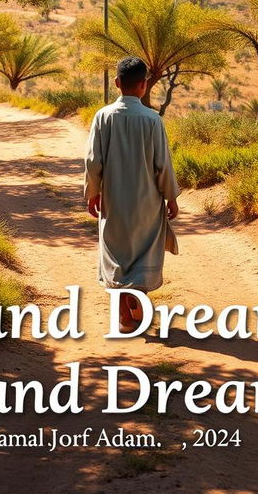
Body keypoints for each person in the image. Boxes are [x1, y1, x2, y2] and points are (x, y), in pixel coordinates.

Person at [84, 55, 180, 331]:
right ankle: (136, 299)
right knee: (143, 252)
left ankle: (125, 315)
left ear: (116, 83)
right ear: (144, 85)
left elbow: (93, 161)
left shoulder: (103, 117)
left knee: (115, 254)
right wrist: (170, 197)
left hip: (114, 201)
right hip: (147, 202)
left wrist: (93, 193)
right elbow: (162, 164)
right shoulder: (152, 120)